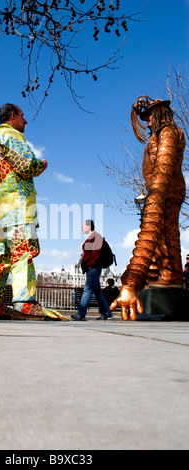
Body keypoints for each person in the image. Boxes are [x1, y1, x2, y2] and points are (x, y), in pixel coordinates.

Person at [0, 103, 67, 321]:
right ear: (12, 116)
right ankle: (24, 302)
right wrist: (42, 164)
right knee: (22, 252)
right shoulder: (12, 135)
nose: (25, 121)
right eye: (22, 116)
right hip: (16, 207)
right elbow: (26, 165)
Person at [111, 96, 186, 321]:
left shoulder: (169, 133)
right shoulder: (161, 135)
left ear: (160, 113)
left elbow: (162, 170)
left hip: (165, 192)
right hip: (162, 191)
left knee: (162, 234)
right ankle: (169, 274)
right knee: (163, 239)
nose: (147, 122)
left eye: (150, 116)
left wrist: (132, 281)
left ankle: (171, 276)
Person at [71, 220, 112, 321]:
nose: (81, 228)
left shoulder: (96, 236)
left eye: (83, 226)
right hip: (92, 268)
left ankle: (81, 313)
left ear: (89, 227)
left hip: (93, 268)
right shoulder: (91, 238)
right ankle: (106, 312)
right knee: (97, 292)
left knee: (87, 290)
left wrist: (90, 264)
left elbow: (96, 254)